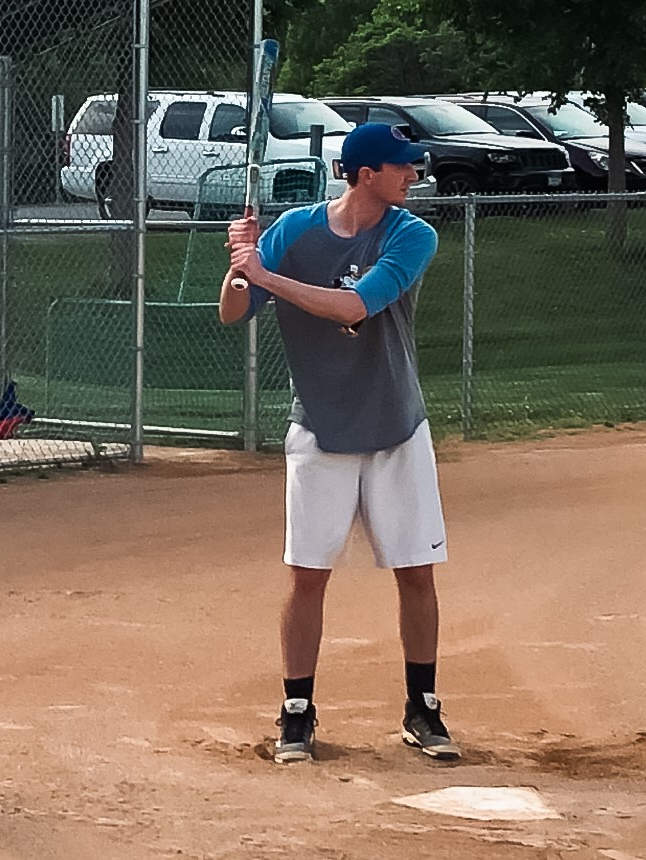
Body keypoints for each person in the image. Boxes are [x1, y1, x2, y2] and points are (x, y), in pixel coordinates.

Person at [218, 122, 457, 764]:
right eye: (401, 166)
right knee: (308, 577)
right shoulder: (296, 230)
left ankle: (423, 707)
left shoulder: (411, 234)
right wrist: (241, 268)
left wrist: (268, 277)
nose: (413, 175)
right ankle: (297, 712)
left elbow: (357, 306)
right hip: (320, 428)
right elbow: (233, 312)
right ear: (364, 173)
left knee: (415, 572)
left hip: (396, 427)